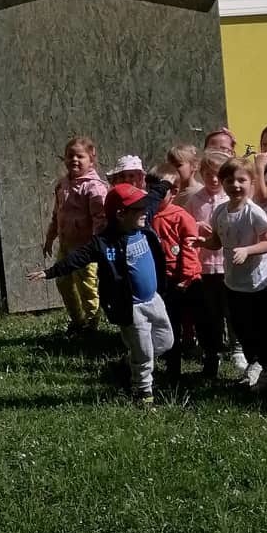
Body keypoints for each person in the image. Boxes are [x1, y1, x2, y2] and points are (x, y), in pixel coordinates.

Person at [29, 183, 172, 404]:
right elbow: (78, 258)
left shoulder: (143, 224)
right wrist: (50, 272)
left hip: (154, 300)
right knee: (144, 353)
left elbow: (153, 199)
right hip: (131, 308)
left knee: (165, 341)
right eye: (138, 209)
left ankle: (124, 365)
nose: (145, 211)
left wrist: (164, 185)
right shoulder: (104, 243)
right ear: (121, 214)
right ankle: (143, 393)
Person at [191, 156, 267, 387]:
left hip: (257, 284)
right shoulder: (220, 211)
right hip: (233, 283)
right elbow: (218, 241)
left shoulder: (254, 212)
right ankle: (254, 364)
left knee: (262, 329)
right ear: (223, 183)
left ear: (251, 182)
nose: (235, 185)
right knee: (241, 328)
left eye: (241, 180)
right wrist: (203, 243)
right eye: (229, 180)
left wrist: (248, 250)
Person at [42, 136, 108, 334]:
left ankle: (92, 322)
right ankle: (77, 320)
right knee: (63, 282)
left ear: (91, 159)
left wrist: (97, 245)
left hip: (85, 249)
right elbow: (57, 214)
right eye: (70, 156)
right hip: (66, 246)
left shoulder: (94, 187)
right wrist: (50, 237)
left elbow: (100, 219)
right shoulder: (62, 185)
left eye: (80, 156)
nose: (74, 160)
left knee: (87, 286)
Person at [149, 168, 202, 387]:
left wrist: (186, 275)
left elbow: (190, 248)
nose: (155, 194)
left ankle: (174, 370)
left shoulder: (181, 217)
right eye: (151, 189)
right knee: (155, 323)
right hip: (154, 279)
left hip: (178, 281)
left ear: (174, 192)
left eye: (161, 190)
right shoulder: (146, 216)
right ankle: (150, 365)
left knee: (174, 324)